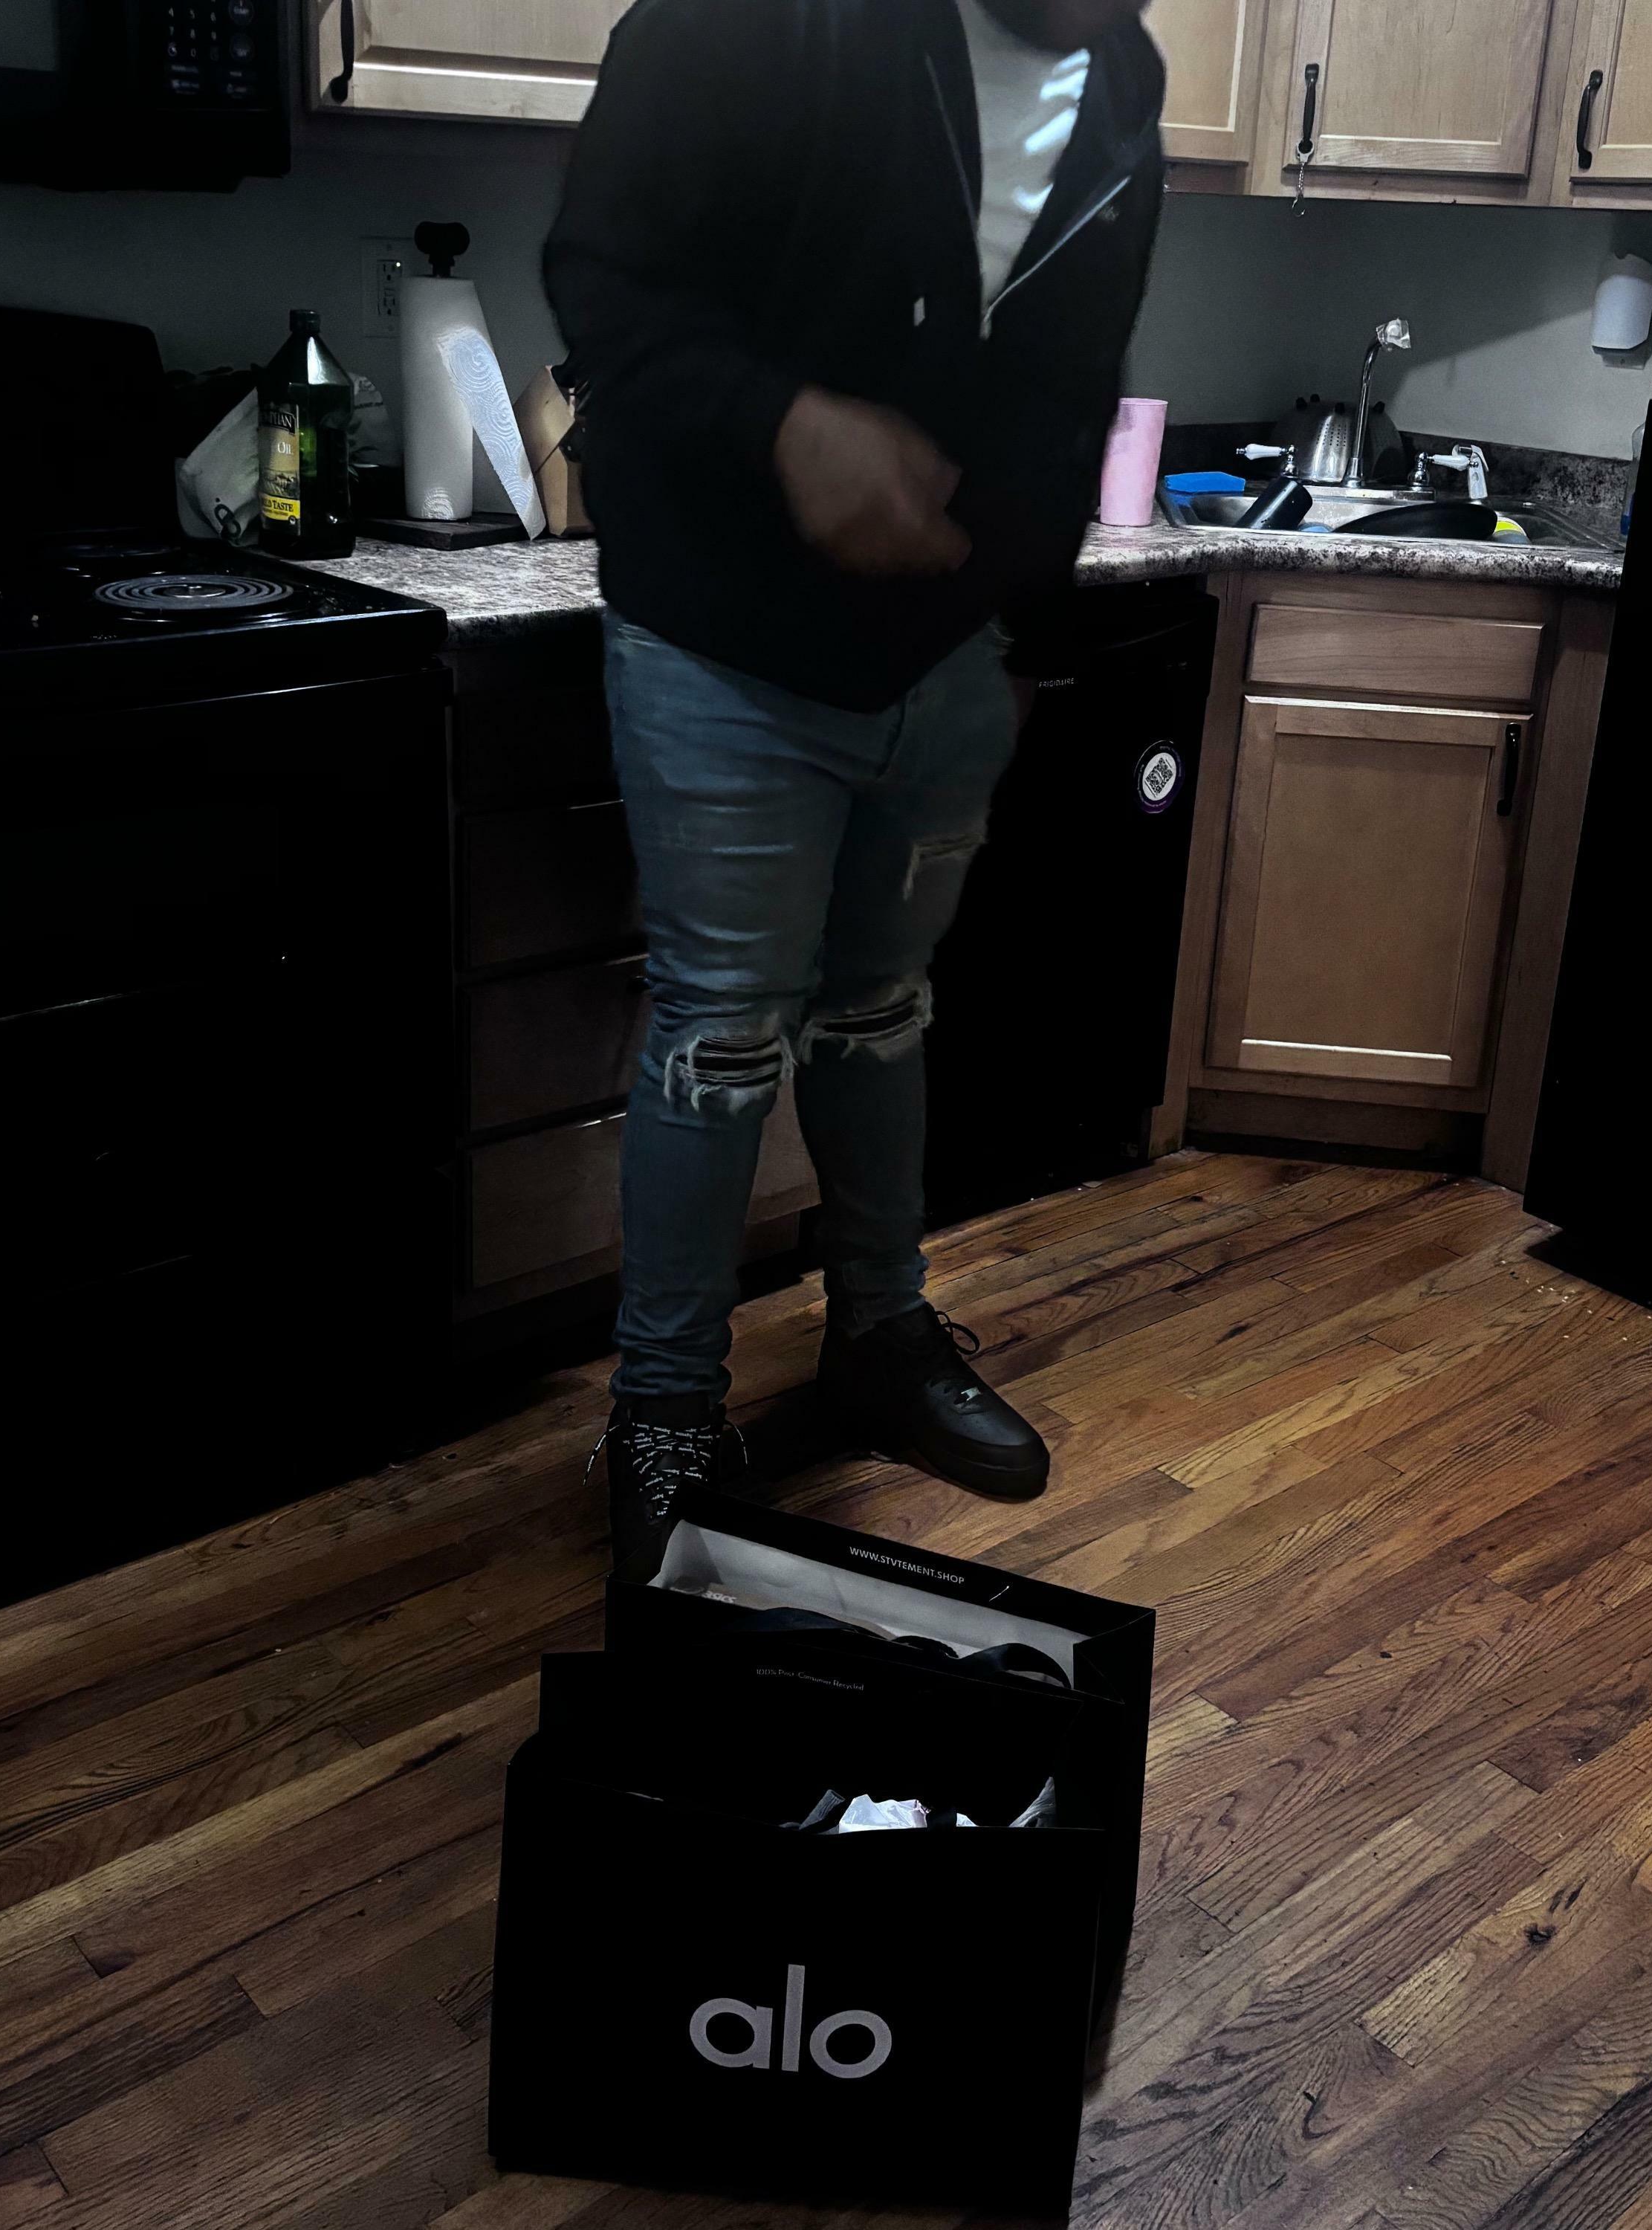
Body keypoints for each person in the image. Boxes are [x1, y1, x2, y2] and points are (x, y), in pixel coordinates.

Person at [542, 0, 1165, 1565]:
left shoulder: (1122, 75)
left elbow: (1072, 380)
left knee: (882, 1010)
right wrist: (783, 425)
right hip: (722, 639)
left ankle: (880, 1334)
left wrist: (1022, 640)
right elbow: (604, 286)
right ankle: (667, 1409)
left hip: (948, 656)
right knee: (721, 1032)